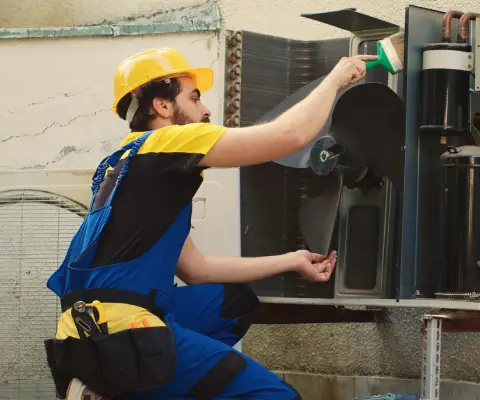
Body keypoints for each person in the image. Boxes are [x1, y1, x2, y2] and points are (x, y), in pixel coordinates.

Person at [43, 47, 377, 400]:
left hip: (82, 331)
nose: (205, 111)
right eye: (194, 97)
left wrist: (291, 260)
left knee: (232, 304)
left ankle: (123, 387)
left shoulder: (122, 164)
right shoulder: (169, 141)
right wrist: (336, 79)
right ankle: (127, 384)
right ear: (162, 105)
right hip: (126, 331)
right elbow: (290, 136)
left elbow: (197, 270)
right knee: (279, 397)